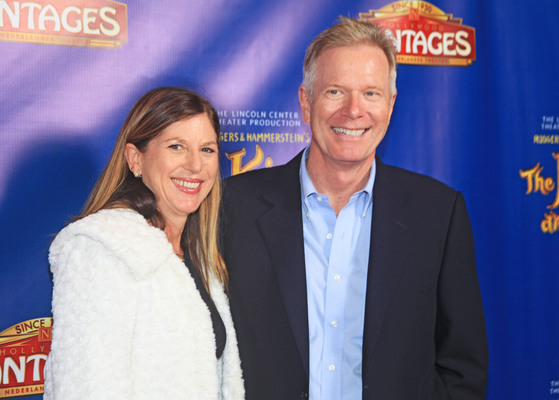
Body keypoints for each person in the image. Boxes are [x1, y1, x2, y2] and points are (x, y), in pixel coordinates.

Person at [220, 17, 488, 400]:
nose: (353, 110)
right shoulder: (232, 208)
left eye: (371, 94)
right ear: (305, 101)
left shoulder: (439, 214)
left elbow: (463, 367)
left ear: (390, 104)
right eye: (334, 91)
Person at [44, 87, 244, 400]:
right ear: (135, 158)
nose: (195, 165)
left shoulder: (199, 257)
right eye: (177, 147)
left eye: (207, 149)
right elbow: (86, 389)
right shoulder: (100, 248)